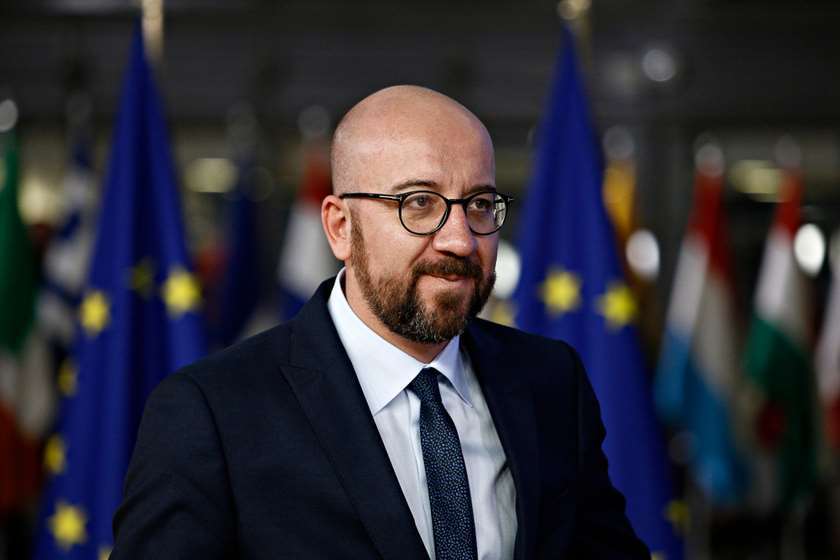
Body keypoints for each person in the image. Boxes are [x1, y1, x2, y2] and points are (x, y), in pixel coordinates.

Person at [112, 85, 649, 559]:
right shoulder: (213, 411)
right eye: (419, 203)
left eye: (480, 204)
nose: (461, 239)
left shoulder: (550, 381)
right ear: (340, 227)